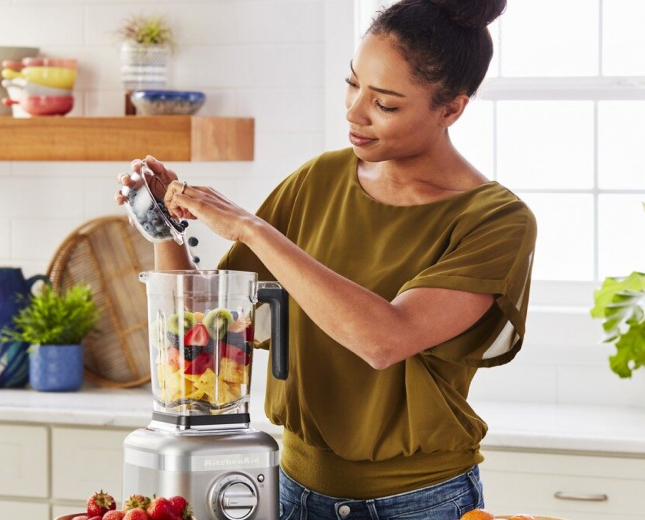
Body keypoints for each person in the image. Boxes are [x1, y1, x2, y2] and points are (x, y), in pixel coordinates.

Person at [114, 0, 535, 518]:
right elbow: (208, 329)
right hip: (291, 489)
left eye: (385, 104)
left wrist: (252, 227)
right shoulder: (319, 180)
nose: (353, 112)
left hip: (419, 502)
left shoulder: (495, 220)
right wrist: (162, 221)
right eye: (352, 83)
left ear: (452, 108)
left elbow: (385, 339)